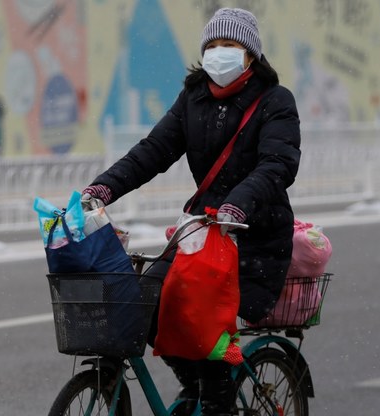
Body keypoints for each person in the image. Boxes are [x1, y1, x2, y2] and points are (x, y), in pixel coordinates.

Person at [82, 7, 301, 416]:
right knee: (146, 304)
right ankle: (195, 383)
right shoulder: (194, 98)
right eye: (212, 45)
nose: (219, 53)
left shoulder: (275, 101)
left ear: (250, 54)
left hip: (254, 235)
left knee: (204, 314)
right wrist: (105, 187)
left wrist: (239, 201)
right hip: (201, 233)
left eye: (230, 45)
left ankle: (220, 403)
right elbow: (152, 151)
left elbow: (279, 164)